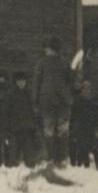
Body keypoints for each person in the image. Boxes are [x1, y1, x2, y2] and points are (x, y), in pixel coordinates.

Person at [33, 36, 74, 165]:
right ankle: (53, 157)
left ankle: (60, 158)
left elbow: (71, 82)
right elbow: (37, 83)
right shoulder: (43, 63)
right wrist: (35, 101)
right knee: (51, 131)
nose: (46, 50)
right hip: (49, 103)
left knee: (60, 131)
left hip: (59, 103)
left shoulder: (63, 64)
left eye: (48, 48)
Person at [4, 71, 38, 166]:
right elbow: (7, 112)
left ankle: (31, 177)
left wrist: (35, 125)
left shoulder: (29, 94)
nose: (21, 83)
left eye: (23, 81)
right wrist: (8, 127)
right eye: (19, 81)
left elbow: (34, 111)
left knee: (29, 157)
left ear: (26, 82)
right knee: (13, 157)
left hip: (28, 129)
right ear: (15, 82)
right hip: (15, 129)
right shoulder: (11, 95)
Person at [68, 80, 98, 170]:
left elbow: (97, 117)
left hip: (91, 129)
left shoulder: (94, 102)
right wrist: (73, 132)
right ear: (82, 90)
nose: (88, 91)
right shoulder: (78, 102)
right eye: (86, 89)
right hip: (81, 130)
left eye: (89, 89)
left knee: (95, 149)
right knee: (82, 150)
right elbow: (73, 118)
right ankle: (83, 167)